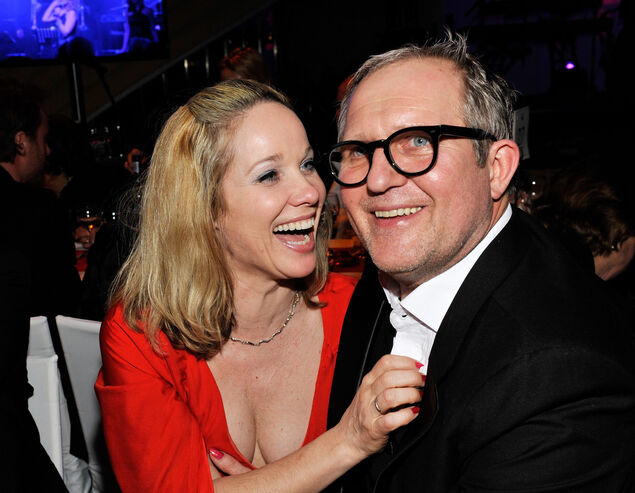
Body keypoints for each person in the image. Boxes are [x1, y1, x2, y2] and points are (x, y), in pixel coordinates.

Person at [325, 31, 635, 491]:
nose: (378, 180)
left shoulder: (560, 372)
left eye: (418, 141)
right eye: (358, 152)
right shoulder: (398, 265)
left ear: (496, 167)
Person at [95, 79, 424, 492]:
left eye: (307, 164)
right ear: (204, 207)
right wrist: (348, 442)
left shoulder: (364, 312)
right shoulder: (144, 334)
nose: (311, 191)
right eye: (269, 175)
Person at [0, 79, 80, 317]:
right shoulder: (40, 209)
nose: (47, 151)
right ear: (21, 142)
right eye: (43, 140)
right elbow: (65, 296)